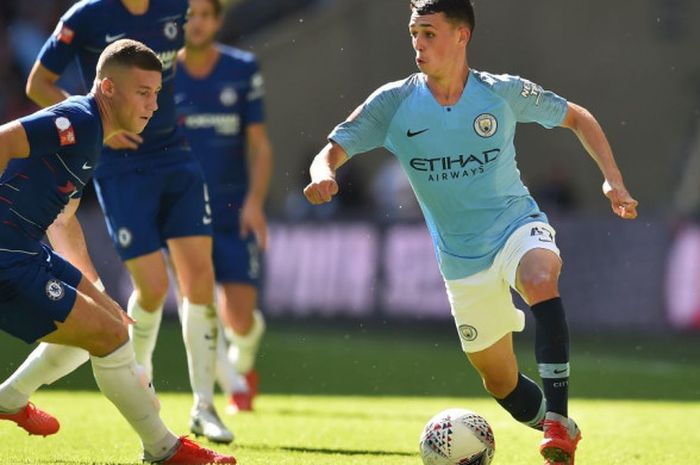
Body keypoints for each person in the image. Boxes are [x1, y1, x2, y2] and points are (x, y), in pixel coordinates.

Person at [303, 1, 638, 464]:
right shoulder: (394, 102)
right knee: (499, 381)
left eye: (429, 33)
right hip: (460, 258)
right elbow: (331, 151)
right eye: (413, 33)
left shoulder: (500, 92)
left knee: (541, 278)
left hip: (517, 225)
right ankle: (554, 424)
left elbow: (578, 117)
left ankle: (558, 422)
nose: (418, 44)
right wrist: (325, 175)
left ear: (462, 36)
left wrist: (612, 180)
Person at [0, 39, 235, 465]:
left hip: (24, 248)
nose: (153, 104)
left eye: (158, 94)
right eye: (143, 92)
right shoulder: (79, 120)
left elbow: (63, 221)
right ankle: (164, 449)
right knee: (108, 336)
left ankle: (8, 400)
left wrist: (97, 289)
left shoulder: (93, 136)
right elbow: (1, 141)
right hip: (6, 258)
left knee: (109, 319)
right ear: (108, 89)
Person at [175, 0, 272, 413]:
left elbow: (260, 144)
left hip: (232, 211)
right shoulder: (159, 71)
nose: (196, 23)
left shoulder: (242, 68)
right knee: (197, 306)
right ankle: (230, 389)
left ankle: (242, 366)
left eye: (205, 16)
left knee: (241, 319)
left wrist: (254, 201)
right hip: (181, 211)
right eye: (188, 15)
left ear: (217, 21)